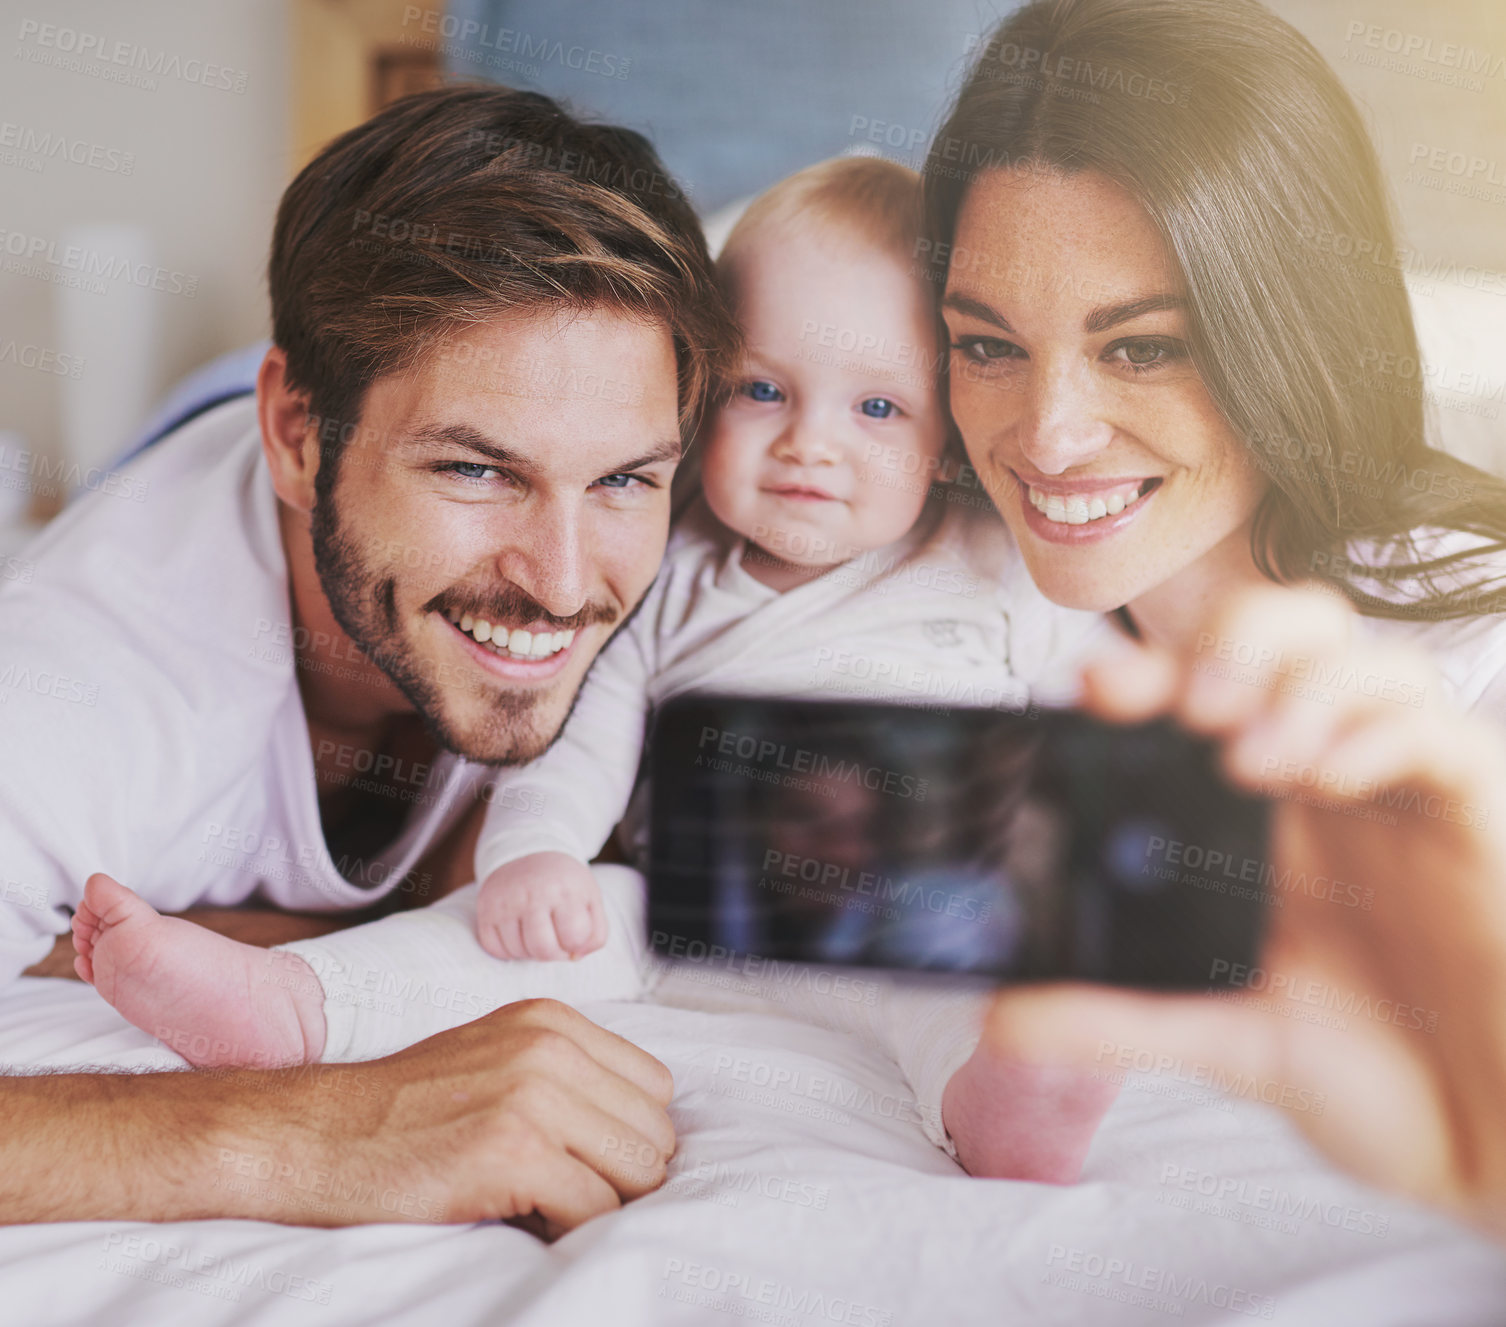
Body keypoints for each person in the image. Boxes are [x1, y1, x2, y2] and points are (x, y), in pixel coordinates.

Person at [69, 156, 1112, 1183]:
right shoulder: (671, 563)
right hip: (683, 907)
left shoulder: (988, 561)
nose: (809, 445)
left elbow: (1103, 708)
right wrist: (534, 854)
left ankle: (1009, 1103)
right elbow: (588, 739)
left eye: (876, 409)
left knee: (963, 983)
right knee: (507, 936)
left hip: (910, 898)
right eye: (762, 390)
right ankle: (292, 1004)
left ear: (946, 440)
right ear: (697, 400)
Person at [0, 83, 741, 1230]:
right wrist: (315, 1131)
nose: (559, 578)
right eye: (475, 470)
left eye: (624, 480)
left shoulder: (735, 498)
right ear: (298, 435)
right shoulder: (76, 688)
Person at [914, 0, 1506, 1224]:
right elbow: (993, 1120)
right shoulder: (941, 623)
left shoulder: (1469, 670)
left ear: (1287, 339)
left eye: (1139, 349)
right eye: (988, 346)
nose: (1050, 436)